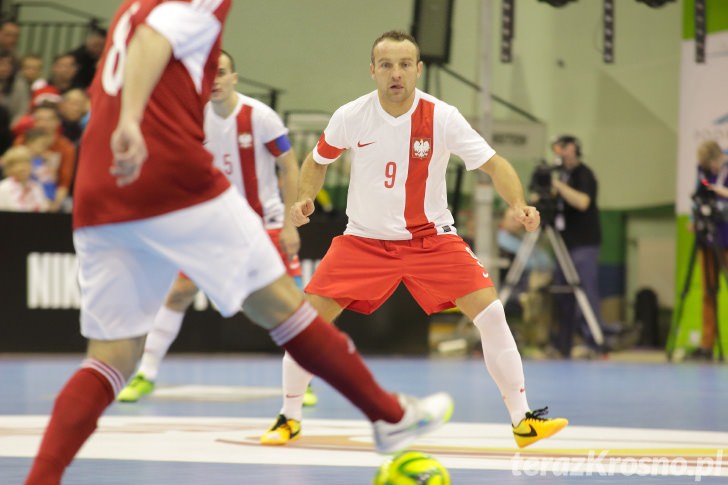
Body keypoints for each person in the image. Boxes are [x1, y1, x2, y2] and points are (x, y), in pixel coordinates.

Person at [24, 4, 452, 484]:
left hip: (99, 188)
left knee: (110, 358)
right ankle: (390, 418)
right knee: (286, 308)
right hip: (165, 172)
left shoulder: (130, 6)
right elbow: (152, 40)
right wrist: (130, 121)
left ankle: (39, 479)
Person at [260, 30, 568, 449]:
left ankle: (523, 420)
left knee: (492, 314)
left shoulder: (442, 116)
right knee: (305, 325)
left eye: (405, 64)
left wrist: (518, 204)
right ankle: (288, 417)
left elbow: (495, 166)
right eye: (386, 65)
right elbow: (317, 161)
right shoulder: (352, 115)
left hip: (431, 240)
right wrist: (304, 199)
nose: (396, 73)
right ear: (372, 71)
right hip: (363, 241)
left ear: (418, 70)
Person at [117, 50, 315, 407]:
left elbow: (289, 166)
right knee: (178, 292)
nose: (216, 80)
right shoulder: (194, 117)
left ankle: (302, 379)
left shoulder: (261, 117)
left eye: (221, 73)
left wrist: (289, 224)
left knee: (289, 303)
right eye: (210, 74)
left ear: (234, 78)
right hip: (213, 226)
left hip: (264, 223)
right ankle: (146, 374)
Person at [546, 135, 605, 359]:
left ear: (572, 149)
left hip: (584, 244)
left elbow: (583, 202)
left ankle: (594, 341)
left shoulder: (584, 174)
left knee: (585, 292)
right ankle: (563, 344)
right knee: (563, 294)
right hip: (564, 244)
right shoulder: (562, 175)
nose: (559, 153)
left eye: (562, 148)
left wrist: (558, 186)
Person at [689, 140, 728, 360]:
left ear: (718, 158)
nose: (710, 170)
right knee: (708, 293)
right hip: (708, 238)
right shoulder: (702, 171)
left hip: (727, 235)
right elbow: (699, 197)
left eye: (711, 166)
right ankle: (707, 345)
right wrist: (695, 219)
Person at [14, 103, 76, 212]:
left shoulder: (66, 147)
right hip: (22, 194)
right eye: (39, 119)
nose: (43, 124)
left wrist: (52, 206)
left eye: (48, 119)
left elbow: (64, 183)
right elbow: (13, 173)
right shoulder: (22, 141)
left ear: (57, 122)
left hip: (53, 197)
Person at [0, 145, 49, 212]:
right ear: (9, 168)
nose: (23, 167)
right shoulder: (3, 188)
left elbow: (44, 211)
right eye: (17, 164)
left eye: (26, 162)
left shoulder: (36, 187)